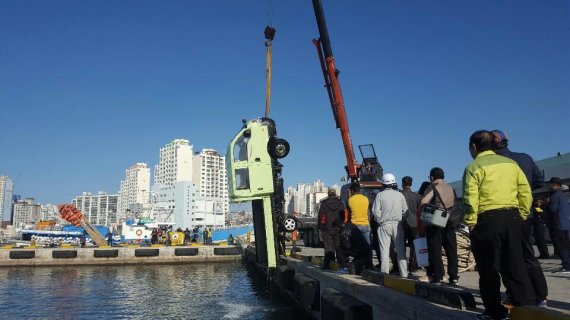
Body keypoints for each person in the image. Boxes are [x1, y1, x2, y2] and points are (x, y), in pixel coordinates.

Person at [463, 130, 535, 320]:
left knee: (488, 269)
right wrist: (522, 214)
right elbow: (525, 192)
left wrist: (471, 222)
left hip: (486, 220)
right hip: (512, 217)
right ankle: (525, 304)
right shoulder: (511, 164)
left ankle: (495, 312)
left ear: (473, 147)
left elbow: (471, 200)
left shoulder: (473, 167)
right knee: (515, 262)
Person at [491, 130, 548, 306]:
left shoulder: (493, 163)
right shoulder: (525, 158)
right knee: (528, 254)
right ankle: (541, 295)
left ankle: (514, 294)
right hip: (525, 213)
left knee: (506, 256)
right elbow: (539, 181)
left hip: (504, 214)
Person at [420, 167, 458, 284]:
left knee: (435, 249)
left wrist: (433, 189)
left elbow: (423, 202)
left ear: (431, 177)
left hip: (436, 222)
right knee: (451, 249)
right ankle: (454, 276)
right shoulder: (450, 187)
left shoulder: (432, 186)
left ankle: (438, 275)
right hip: (450, 221)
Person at [372, 173, 408, 278]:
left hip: (384, 224)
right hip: (397, 224)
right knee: (401, 250)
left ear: (383, 183)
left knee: (384, 250)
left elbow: (375, 212)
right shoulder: (399, 195)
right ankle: (404, 274)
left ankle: (385, 273)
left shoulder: (380, 195)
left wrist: (380, 220)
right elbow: (405, 210)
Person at [318, 188, 347, 270]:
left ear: (328, 194)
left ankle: (328, 264)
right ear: (335, 194)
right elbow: (343, 215)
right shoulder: (340, 203)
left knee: (328, 247)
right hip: (338, 228)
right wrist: (340, 225)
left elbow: (321, 215)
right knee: (338, 246)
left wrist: (320, 226)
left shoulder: (324, 203)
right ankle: (341, 264)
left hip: (327, 228)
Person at [547, 177, 570, 273]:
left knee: (561, 245)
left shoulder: (555, 196)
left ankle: (566, 265)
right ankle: (567, 263)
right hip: (566, 224)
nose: (549, 186)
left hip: (558, 224)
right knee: (566, 244)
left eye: (550, 184)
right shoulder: (563, 195)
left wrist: (548, 204)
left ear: (554, 184)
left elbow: (552, 210)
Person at [401, 176, 421, 273]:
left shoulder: (399, 195)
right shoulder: (417, 196)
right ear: (411, 184)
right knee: (414, 245)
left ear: (402, 184)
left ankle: (402, 266)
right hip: (414, 223)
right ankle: (412, 266)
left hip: (402, 223)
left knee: (401, 245)